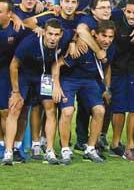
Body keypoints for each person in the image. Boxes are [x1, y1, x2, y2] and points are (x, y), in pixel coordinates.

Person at [3, 19, 71, 165]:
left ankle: (50, 151)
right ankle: (8, 153)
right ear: (44, 32)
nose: (53, 38)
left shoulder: (66, 37)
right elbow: (13, 66)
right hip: (25, 75)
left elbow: (77, 34)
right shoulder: (29, 43)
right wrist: (15, 92)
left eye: (56, 35)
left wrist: (73, 43)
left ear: (61, 35)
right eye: (50, 34)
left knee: (50, 109)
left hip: (44, 76)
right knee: (15, 109)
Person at [53, 20, 116, 165]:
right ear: (95, 35)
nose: (107, 40)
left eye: (110, 37)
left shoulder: (111, 49)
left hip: (89, 81)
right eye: (104, 36)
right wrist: (56, 85)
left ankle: (91, 149)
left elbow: (107, 67)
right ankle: (65, 150)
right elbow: (58, 64)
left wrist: (107, 88)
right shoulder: (83, 47)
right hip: (70, 79)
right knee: (68, 111)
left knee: (100, 110)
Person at [108, 0, 134, 161]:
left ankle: (130, 143)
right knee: (119, 108)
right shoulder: (114, 16)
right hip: (117, 69)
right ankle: (115, 144)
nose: (131, 15)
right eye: (128, 12)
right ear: (124, 10)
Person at [0, 0, 28, 158]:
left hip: (6, 72)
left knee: (5, 111)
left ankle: (6, 145)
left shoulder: (17, 30)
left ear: (10, 14)